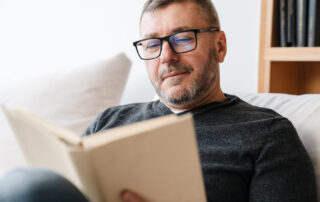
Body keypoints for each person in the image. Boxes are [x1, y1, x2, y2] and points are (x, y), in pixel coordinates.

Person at [0, 0, 317, 202]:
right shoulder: (111, 121)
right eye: (152, 44)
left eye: (182, 38)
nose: (167, 56)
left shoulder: (267, 133)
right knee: (24, 182)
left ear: (219, 46)